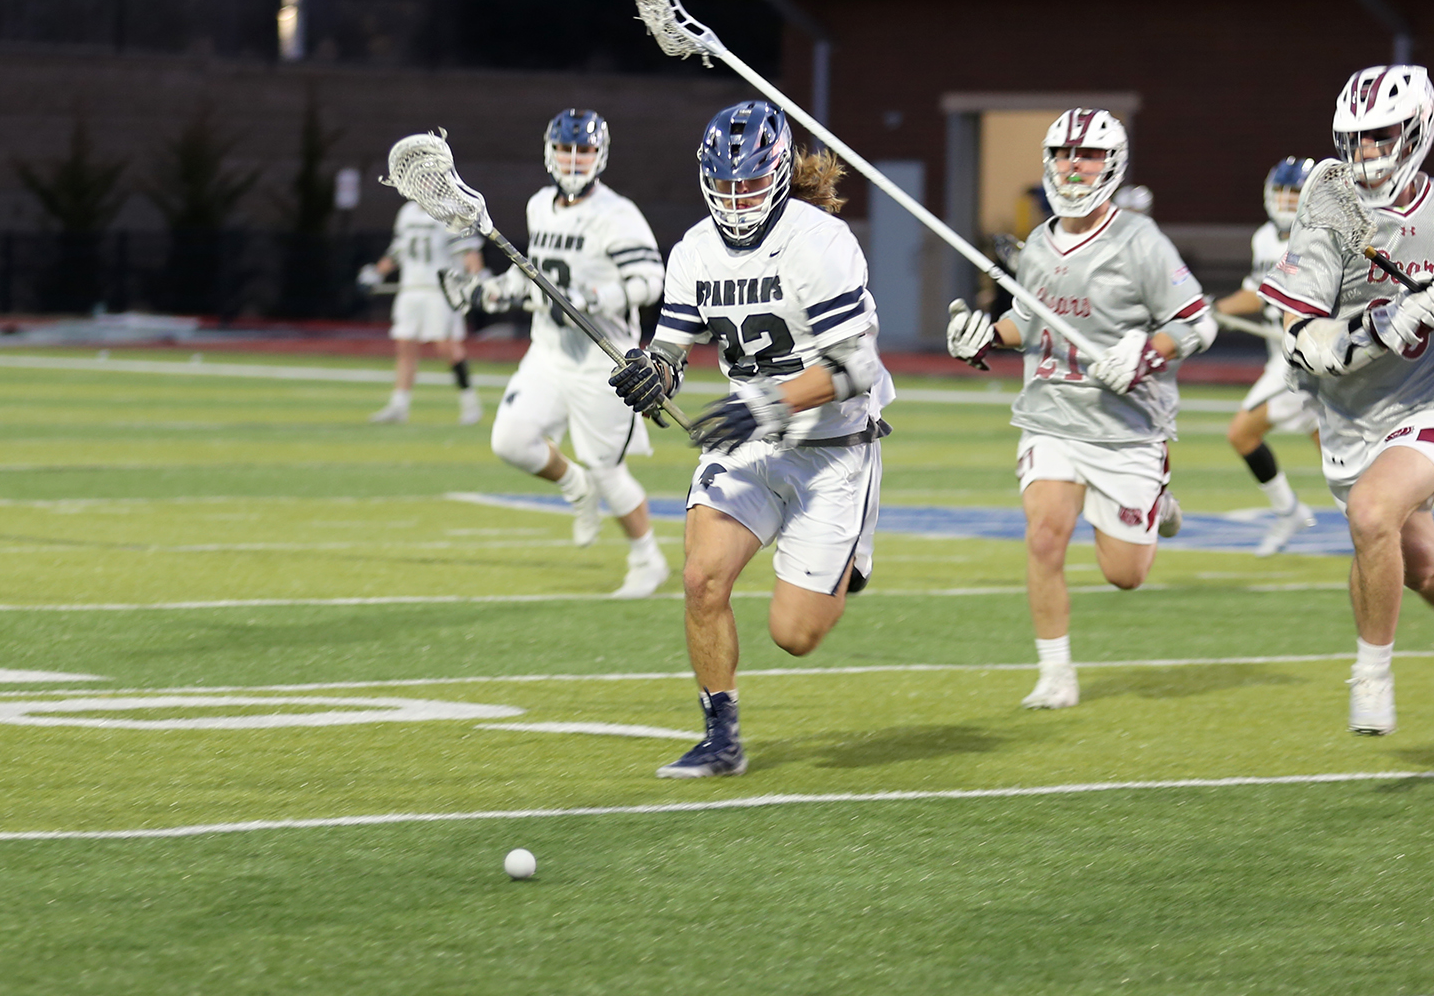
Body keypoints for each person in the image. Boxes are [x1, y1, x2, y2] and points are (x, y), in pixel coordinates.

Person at [608, 100, 893, 778]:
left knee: (795, 635)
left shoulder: (819, 241)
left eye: (749, 183)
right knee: (702, 579)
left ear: (775, 175)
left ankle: (845, 554)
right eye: (725, 184)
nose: (736, 198)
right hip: (750, 442)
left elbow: (858, 366)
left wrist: (767, 403)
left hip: (833, 449)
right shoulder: (694, 250)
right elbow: (672, 346)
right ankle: (720, 737)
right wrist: (653, 372)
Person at [1258, 65, 1434, 735]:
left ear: (1418, 129)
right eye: (1354, 140)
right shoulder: (1329, 216)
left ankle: (1372, 674)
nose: (1365, 154)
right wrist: (1374, 330)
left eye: (1380, 136)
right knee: (1420, 566)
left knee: (1371, 510)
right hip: (1351, 415)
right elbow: (1301, 336)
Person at [946, 108, 1214, 710]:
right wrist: (988, 335)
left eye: (1088, 154)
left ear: (1112, 164)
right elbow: (1027, 319)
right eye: (1065, 153)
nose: (1074, 165)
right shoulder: (1040, 241)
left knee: (1126, 574)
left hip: (1125, 424)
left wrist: (1147, 350)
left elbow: (1198, 322)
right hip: (1051, 412)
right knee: (1045, 536)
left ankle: (1158, 501)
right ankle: (1055, 672)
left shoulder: (1140, 241)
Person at [442, 109, 670, 598]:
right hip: (548, 349)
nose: (573, 159)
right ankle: (574, 486)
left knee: (607, 468)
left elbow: (651, 280)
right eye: (565, 150)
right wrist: (485, 292)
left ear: (599, 156)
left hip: (603, 360)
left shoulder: (618, 214)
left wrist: (601, 297)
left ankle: (647, 558)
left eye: (582, 150)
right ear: (550, 153)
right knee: (511, 440)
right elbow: (533, 277)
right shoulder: (539, 205)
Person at [1213, 158, 1323, 555]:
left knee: (1242, 432)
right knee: (1336, 452)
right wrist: (1217, 309)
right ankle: (1297, 512)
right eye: (1283, 193)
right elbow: (1257, 291)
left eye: (1296, 193)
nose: (1288, 201)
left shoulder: (1322, 236)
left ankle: (1294, 512)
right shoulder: (1263, 238)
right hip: (1284, 356)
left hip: (1305, 358)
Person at [360, 200, 484, 425]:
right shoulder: (406, 212)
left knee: (446, 346)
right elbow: (398, 250)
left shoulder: (451, 209)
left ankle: (470, 403)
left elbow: (468, 251)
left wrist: (477, 277)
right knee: (404, 345)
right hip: (411, 288)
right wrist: (377, 272)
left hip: (441, 290)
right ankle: (399, 405)